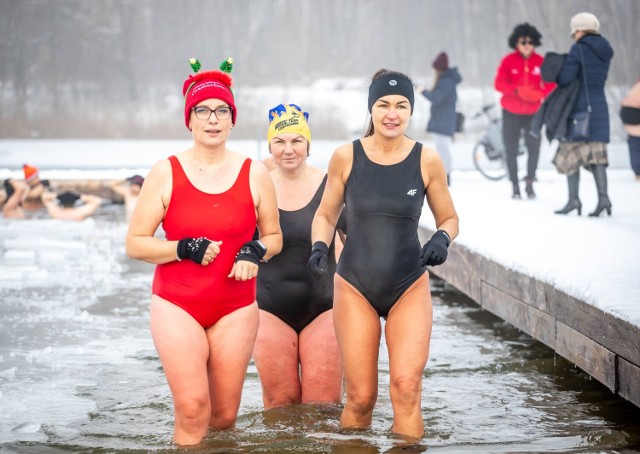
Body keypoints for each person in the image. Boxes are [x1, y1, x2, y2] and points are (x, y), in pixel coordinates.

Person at [125, 58, 282, 446]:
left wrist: (254, 249)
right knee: (194, 409)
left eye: (221, 111)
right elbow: (135, 243)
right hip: (177, 304)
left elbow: (275, 236)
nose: (212, 119)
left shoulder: (253, 173)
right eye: (203, 110)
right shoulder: (166, 171)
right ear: (189, 119)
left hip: (236, 307)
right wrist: (182, 247)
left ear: (232, 120)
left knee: (225, 417)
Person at [308, 69, 459, 439]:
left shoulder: (427, 159)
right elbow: (326, 214)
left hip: (408, 283)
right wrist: (317, 246)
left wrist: (441, 238)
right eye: (384, 105)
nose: (392, 113)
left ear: (411, 110)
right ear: (371, 109)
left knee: (406, 389)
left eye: (401, 105)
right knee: (360, 398)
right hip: (355, 285)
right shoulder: (346, 157)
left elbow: (450, 217)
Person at [252, 104, 344, 409]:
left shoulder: (330, 184)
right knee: (280, 407)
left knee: (323, 406)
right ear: (270, 147)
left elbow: (353, 241)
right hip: (269, 309)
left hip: (324, 308)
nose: (288, 150)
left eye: (296, 141)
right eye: (279, 142)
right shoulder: (255, 186)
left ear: (308, 145)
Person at [554, 12, 614, 217]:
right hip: (599, 106)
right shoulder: (606, 50)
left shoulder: (578, 49)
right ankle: (604, 199)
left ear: (580, 30)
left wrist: (558, 70)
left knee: (570, 153)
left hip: (580, 109)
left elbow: (566, 78)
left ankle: (573, 200)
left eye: (574, 32)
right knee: (597, 155)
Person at [494, 23, 555, 199]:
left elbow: (551, 85)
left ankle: (529, 181)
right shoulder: (508, 61)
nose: (527, 45)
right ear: (516, 43)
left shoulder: (540, 62)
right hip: (511, 112)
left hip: (534, 113)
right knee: (510, 148)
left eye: (530, 41)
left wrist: (538, 94)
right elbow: (499, 84)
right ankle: (514, 184)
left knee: (534, 147)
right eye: (523, 41)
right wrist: (516, 91)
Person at [415, 52, 462, 186]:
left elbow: (436, 98)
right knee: (442, 148)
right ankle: (445, 175)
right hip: (444, 120)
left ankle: (446, 176)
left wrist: (422, 91)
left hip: (443, 121)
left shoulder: (447, 81)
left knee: (443, 149)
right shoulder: (448, 80)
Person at [620, 77, 640, 181]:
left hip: (629, 118)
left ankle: (638, 172)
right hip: (634, 116)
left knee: (635, 146)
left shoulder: (636, 87)